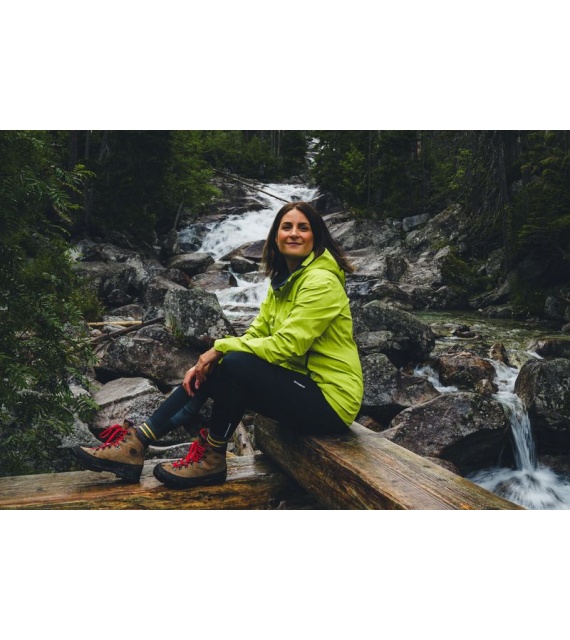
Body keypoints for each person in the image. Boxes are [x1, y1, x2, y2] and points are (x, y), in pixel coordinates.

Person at [72, 201, 364, 489]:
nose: (294, 233)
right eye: (287, 227)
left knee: (233, 362)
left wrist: (219, 348)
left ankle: (209, 456)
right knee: (220, 365)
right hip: (302, 386)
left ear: (316, 237)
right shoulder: (285, 281)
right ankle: (138, 443)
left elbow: (287, 346)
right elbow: (257, 333)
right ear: (276, 236)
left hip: (330, 401)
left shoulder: (320, 282)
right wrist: (209, 359)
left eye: (303, 228)